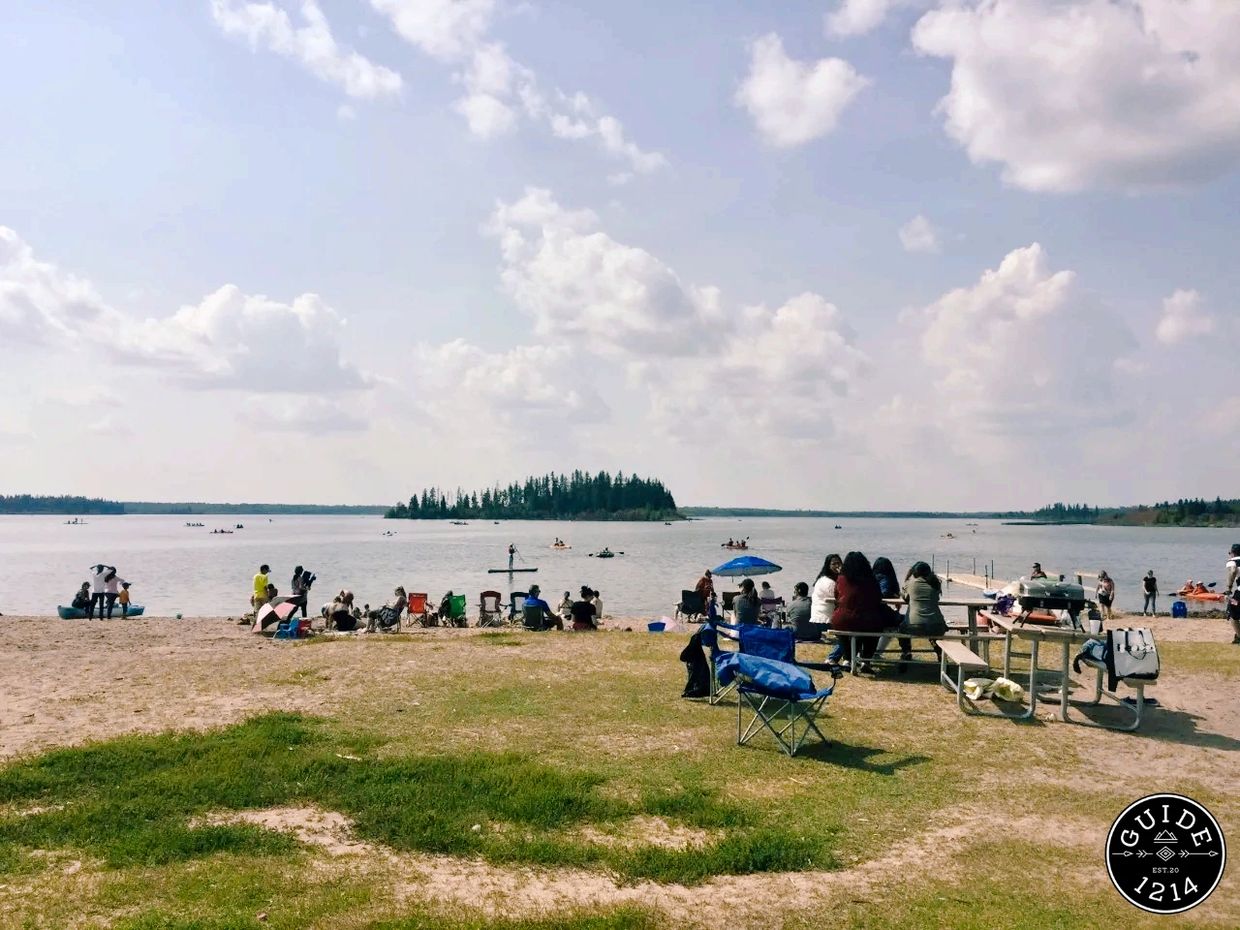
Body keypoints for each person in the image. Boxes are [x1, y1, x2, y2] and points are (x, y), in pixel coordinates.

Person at [832, 551, 900, 673]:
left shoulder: (841, 579)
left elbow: (837, 596)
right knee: (874, 629)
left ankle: (847, 659)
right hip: (867, 619)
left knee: (842, 629)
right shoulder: (871, 580)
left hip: (842, 619)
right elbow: (877, 598)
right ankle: (866, 660)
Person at [812, 553, 843, 660]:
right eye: (834, 564)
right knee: (848, 634)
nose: (837, 566)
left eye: (839, 563)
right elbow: (841, 598)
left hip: (823, 617)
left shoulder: (829, 579)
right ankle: (832, 658)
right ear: (828, 565)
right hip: (824, 619)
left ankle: (849, 658)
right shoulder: (828, 582)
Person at [1225, 544, 1240, 644]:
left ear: (1233, 553)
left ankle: (1239, 637)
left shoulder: (1232, 561)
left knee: (1232, 614)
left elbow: (1233, 571)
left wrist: (1229, 588)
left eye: (1230, 553)